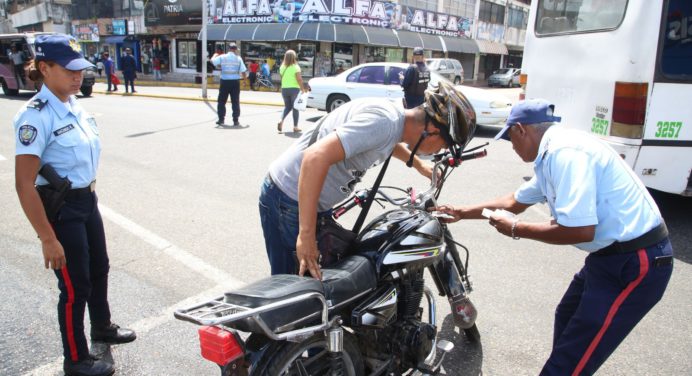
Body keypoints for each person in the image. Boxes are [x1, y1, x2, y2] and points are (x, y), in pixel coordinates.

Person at [434, 99, 673, 375]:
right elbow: (514, 201)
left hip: (636, 262)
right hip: (609, 257)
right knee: (567, 315)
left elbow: (581, 230)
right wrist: (462, 212)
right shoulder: (550, 153)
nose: (511, 147)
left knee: (569, 362)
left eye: (511, 138)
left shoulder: (565, 153)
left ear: (522, 130)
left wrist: (515, 229)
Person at [260, 82, 477, 279]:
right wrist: (305, 235)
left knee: (314, 283)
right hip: (286, 200)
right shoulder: (383, 122)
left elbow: (383, 141)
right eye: (443, 145)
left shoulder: (395, 122)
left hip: (305, 202)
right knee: (291, 291)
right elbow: (314, 157)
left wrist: (419, 165)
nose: (439, 151)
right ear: (431, 130)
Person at [13, 34, 136, 376]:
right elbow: (24, 183)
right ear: (44, 68)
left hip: (87, 200)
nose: (77, 76)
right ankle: (76, 359)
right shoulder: (34, 116)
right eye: (69, 70)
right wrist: (47, 237)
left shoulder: (73, 105)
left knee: (99, 268)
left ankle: (102, 327)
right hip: (63, 210)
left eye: (80, 69)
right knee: (73, 286)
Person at [210, 43, 247, 126]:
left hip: (224, 82)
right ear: (236, 50)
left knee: (221, 101)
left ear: (229, 49)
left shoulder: (223, 57)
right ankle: (235, 120)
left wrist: (214, 55)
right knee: (235, 102)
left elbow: (212, 61)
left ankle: (221, 119)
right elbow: (243, 71)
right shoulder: (238, 58)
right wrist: (245, 81)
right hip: (235, 83)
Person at [277, 50, 307, 134]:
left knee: (287, 107)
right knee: (295, 108)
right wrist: (302, 89)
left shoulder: (282, 67)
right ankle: (295, 127)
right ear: (294, 57)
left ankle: (281, 120)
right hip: (294, 89)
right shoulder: (296, 67)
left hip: (284, 89)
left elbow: (281, 77)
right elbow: (299, 79)